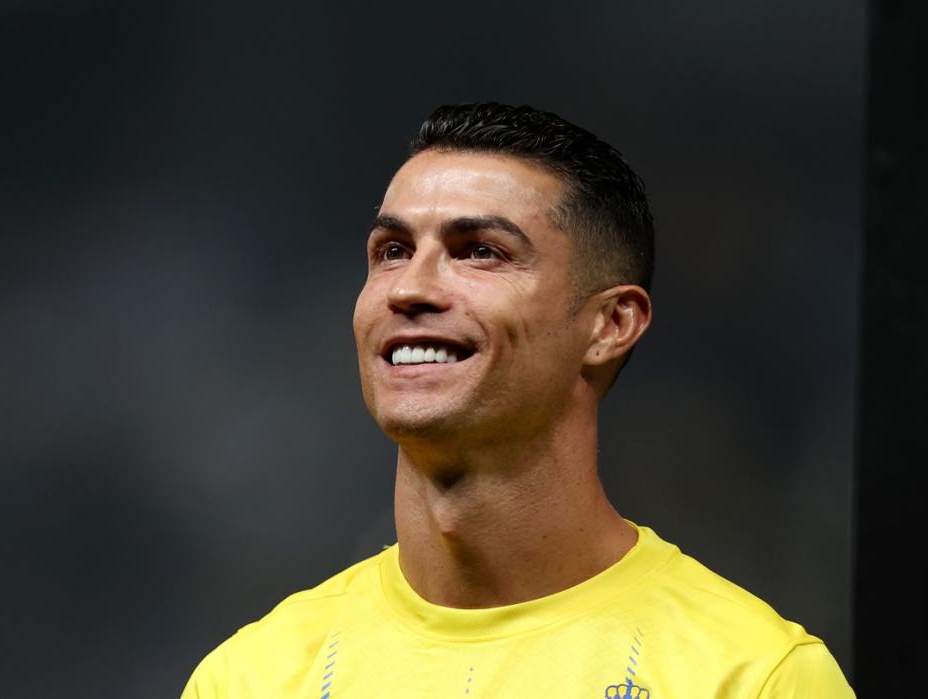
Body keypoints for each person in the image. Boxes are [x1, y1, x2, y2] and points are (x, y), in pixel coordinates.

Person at [181, 102, 854, 697]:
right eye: (391, 249)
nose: (409, 288)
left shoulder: (753, 678)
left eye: (479, 251)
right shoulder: (248, 679)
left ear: (610, 324)